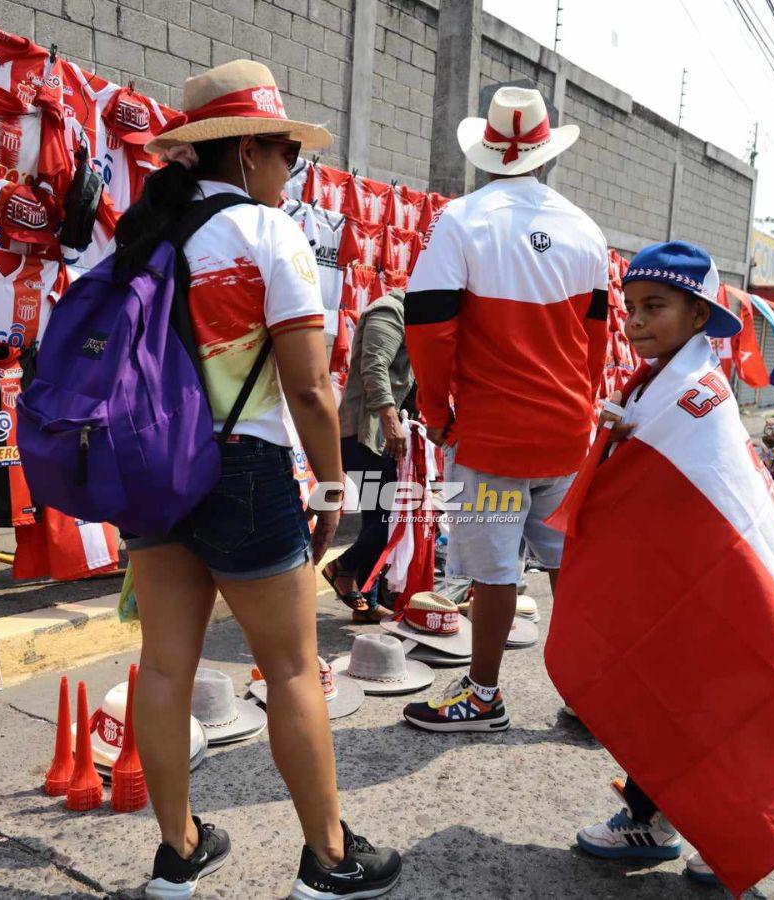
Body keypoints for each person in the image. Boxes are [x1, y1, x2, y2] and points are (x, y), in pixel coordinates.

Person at [121, 61, 401, 899]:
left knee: (163, 669)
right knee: (290, 670)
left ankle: (179, 853)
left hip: (151, 467)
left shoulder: (144, 232)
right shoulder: (269, 234)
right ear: (248, 150)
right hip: (243, 467)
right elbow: (310, 388)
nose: (293, 170)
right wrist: (332, 486)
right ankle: (329, 858)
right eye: (288, 153)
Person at [400, 85, 609, 732]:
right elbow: (596, 342)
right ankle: (590, 695)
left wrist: (436, 413)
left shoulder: (460, 221)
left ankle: (484, 695)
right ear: (547, 154)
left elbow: (428, 328)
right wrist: (582, 410)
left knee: (493, 574)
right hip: (566, 435)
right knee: (567, 567)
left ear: (487, 153)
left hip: (490, 437)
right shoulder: (586, 230)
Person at [571, 241, 744, 886]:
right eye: (631, 307)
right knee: (660, 704)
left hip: (700, 582)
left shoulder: (695, 391)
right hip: (668, 579)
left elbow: (697, 484)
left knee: (693, 710)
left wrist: (628, 448)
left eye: (655, 307)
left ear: (698, 314)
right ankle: (653, 816)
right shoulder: (662, 378)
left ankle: (728, 834)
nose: (637, 320)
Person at [324, 288, 415, 622]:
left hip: (379, 438)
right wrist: (391, 422)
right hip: (366, 435)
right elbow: (374, 366)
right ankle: (342, 567)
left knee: (378, 519)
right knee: (387, 521)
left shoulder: (413, 318)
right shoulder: (389, 312)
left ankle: (366, 601)